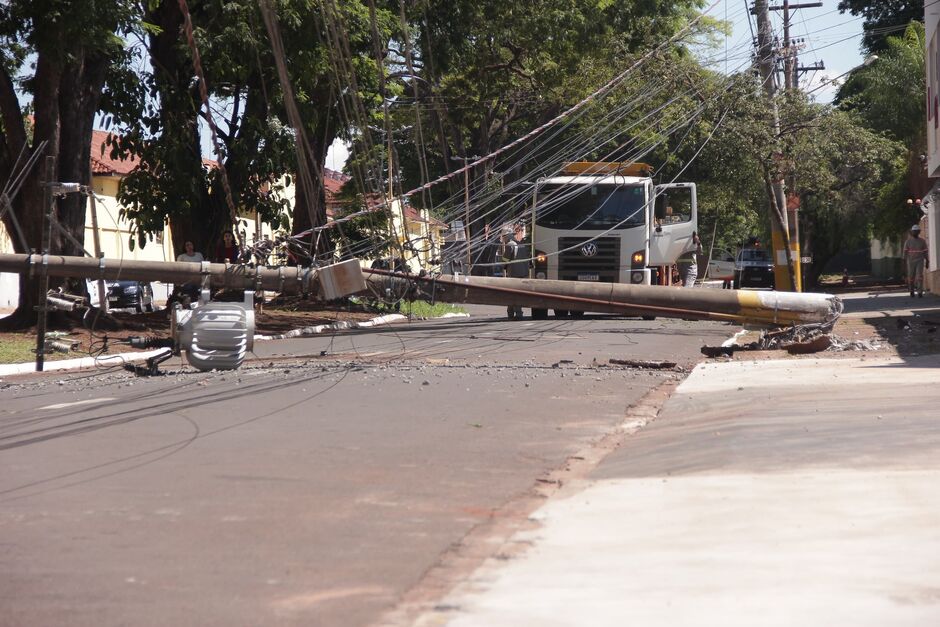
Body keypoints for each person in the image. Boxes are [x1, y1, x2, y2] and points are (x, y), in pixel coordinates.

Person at [503, 223, 529, 320]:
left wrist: (504, 266)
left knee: (513, 294)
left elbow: (505, 260)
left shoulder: (510, 244)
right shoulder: (522, 244)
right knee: (517, 294)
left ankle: (516, 313)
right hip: (523, 273)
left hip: (513, 273)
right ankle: (513, 312)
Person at [903, 224, 929, 298]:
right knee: (911, 277)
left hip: (920, 260)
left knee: (919, 276)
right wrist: (904, 262)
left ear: (919, 232)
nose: (915, 232)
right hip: (911, 261)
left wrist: (927, 260)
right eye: (914, 231)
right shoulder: (908, 242)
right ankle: (911, 291)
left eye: (917, 231)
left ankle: (920, 292)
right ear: (912, 232)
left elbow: (925, 252)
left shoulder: (922, 241)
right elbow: (904, 253)